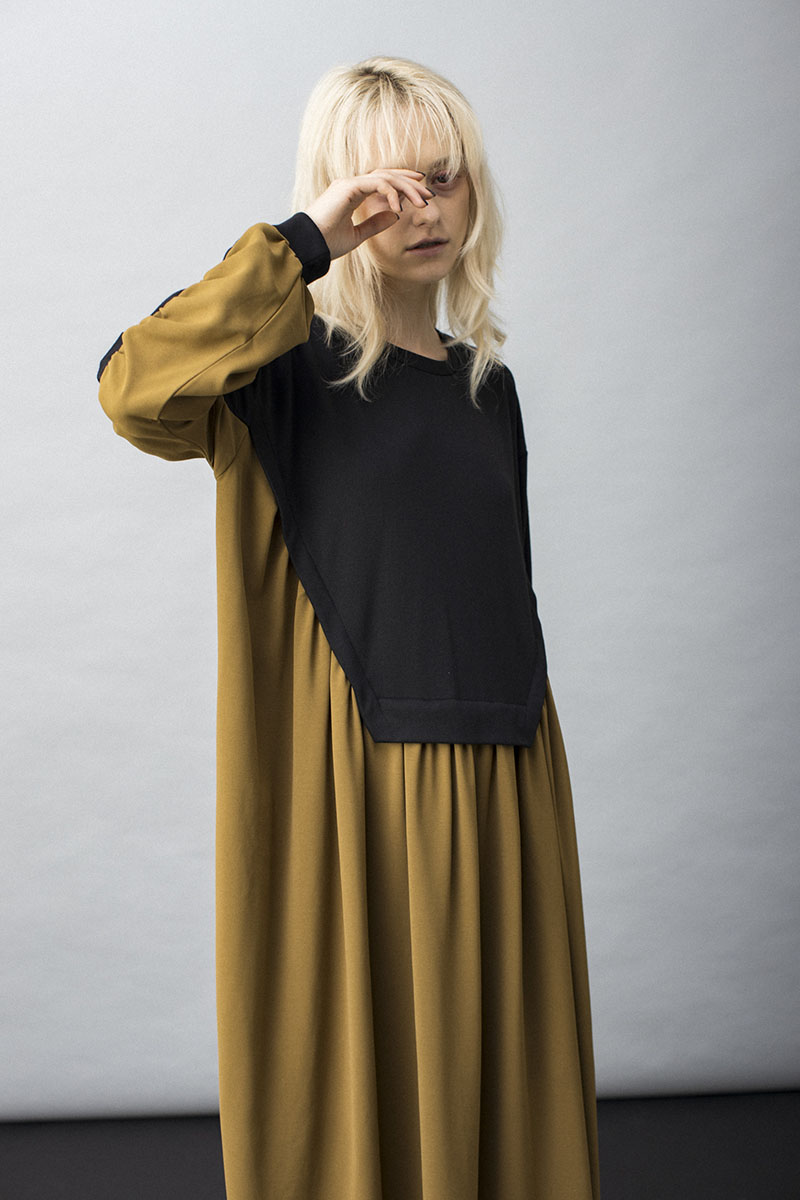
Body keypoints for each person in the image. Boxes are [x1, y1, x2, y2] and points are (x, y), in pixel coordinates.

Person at [98, 55, 601, 1200]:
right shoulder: (273, 372)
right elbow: (133, 389)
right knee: (365, 1097)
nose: (422, 211)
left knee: (503, 1102)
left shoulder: (486, 387)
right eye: (385, 189)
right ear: (338, 197)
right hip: (352, 783)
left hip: (508, 768)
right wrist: (302, 244)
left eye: (443, 178)